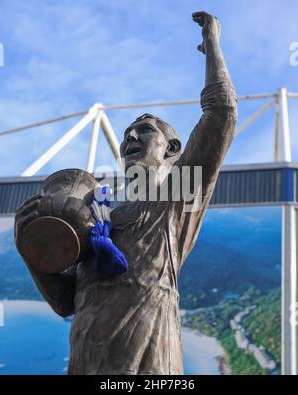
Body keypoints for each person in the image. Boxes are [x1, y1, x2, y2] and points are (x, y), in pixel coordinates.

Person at [14, 11, 237, 375]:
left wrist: (212, 45)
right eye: (126, 135)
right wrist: (32, 250)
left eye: (144, 131)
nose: (130, 138)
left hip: (150, 369)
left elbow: (222, 115)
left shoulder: (176, 200)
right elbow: (65, 302)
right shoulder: (99, 218)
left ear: (171, 150)